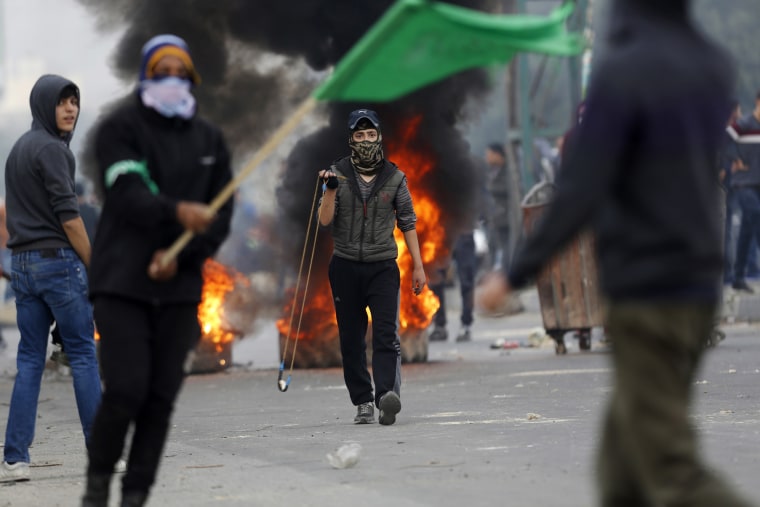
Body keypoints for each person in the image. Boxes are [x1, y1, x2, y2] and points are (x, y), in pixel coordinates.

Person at [478, 1, 755, 506]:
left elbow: (580, 187)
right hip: (696, 285)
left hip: (649, 293)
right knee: (621, 472)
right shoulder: (711, 64)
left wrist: (515, 273)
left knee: (671, 474)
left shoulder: (624, 72)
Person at [80, 34, 233, 507]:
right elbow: (126, 190)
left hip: (179, 288)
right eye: (162, 70)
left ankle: (135, 494)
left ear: (192, 79)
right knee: (126, 389)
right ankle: (98, 484)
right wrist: (176, 214)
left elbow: (220, 214)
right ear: (146, 74)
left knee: (160, 398)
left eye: (180, 71)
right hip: (123, 282)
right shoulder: (119, 128)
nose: (172, 79)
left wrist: (183, 256)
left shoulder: (210, 140)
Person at [1, 75, 102, 483]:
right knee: (82, 356)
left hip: (23, 264)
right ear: (44, 105)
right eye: (62, 102)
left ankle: (14, 459)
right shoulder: (53, 150)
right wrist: (95, 264)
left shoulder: (18, 150)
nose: (71, 109)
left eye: (75, 102)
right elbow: (69, 217)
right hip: (58, 264)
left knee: (30, 360)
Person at [317, 108, 426, 426]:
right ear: (351, 139)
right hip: (345, 267)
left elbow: (408, 222)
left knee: (385, 335)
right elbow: (324, 222)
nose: (366, 140)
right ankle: (363, 401)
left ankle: (385, 397)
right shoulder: (336, 174)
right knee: (350, 338)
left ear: (380, 136)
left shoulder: (395, 178)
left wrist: (418, 267)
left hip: (383, 268)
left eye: (371, 134)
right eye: (359, 135)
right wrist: (330, 191)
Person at [727, 91, 760, 293]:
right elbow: (723, 139)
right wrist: (734, 159)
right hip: (743, 183)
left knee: (747, 228)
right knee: (755, 213)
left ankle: (739, 276)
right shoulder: (744, 124)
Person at [429, 233, 477, 342]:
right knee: (435, 278)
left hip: (463, 231)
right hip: (440, 232)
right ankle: (439, 325)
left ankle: (466, 325)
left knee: (466, 281)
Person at [483, 143, 512, 271]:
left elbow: (510, 189)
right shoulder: (492, 171)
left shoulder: (508, 171)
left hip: (506, 216)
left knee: (507, 245)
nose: (487, 158)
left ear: (498, 155)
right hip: (494, 217)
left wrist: (491, 189)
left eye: (489, 155)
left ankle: (507, 273)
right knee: (492, 245)